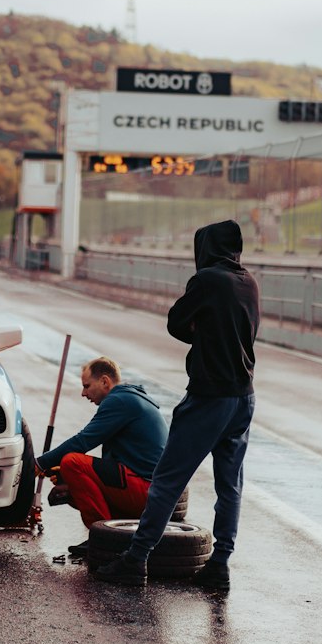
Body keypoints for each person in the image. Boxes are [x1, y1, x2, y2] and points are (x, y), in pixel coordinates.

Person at [95, 220, 260, 591]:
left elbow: (176, 323)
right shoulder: (249, 282)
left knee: (167, 479)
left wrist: (199, 333)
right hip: (243, 397)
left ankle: (136, 560)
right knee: (230, 486)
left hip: (209, 397)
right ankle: (219, 565)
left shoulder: (206, 281)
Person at [34, 358, 168, 557]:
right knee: (71, 481)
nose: (83, 393)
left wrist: (39, 463)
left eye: (87, 386)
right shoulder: (130, 398)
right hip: (154, 493)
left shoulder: (119, 401)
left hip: (146, 491)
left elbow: (83, 442)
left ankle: (104, 539)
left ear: (105, 382)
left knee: (72, 462)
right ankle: (114, 535)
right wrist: (67, 478)